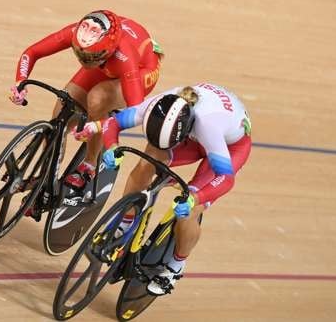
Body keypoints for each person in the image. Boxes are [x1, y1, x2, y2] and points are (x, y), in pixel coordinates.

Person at [73, 83, 252, 295]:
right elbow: (113, 122)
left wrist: (197, 197)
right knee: (147, 161)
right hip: (190, 135)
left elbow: (226, 178)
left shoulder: (208, 126)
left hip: (230, 147)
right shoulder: (157, 105)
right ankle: (125, 223)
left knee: (190, 209)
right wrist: (112, 147)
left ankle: (175, 266)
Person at [9, 9, 163, 192]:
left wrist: (98, 126)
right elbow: (32, 52)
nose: (84, 62)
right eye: (80, 55)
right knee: (61, 112)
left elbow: (138, 111)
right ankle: (46, 178)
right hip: (104, 61)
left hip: (142, 68)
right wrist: (21, 81)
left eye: (89, 58)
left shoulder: (125, 56)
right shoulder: (82, 36)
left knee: (97, 99)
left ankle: (89, 165)